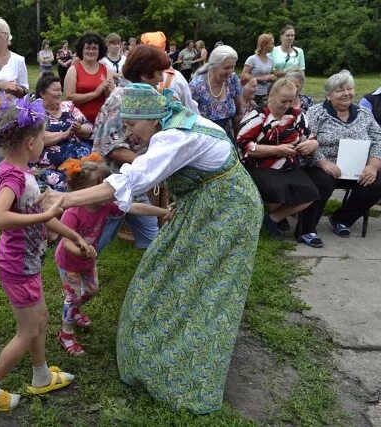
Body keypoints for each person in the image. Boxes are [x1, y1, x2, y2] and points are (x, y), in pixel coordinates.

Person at [39, 83, 262, 414]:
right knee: (167, 271)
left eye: (131, 125)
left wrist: (66, 197)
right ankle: (161, 341)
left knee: (204, 284)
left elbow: (128, 182)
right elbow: (195, 173)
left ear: (152, 118)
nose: (128, 134)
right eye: (125, 125)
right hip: (206, 207)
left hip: (230, 212)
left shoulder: (175, 135)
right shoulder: (177, 123)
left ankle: (187, 357)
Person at [0, 96, 90, 412]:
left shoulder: (23, 170)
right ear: (31, 142)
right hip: (17, 267)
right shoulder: (13, 176)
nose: (46, 143)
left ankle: (41, 375)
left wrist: (72, 234)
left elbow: (39, 211)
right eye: (44, 138)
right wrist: (44, 217)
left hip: (27, 264)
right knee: (27, 331)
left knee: (42, 319)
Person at [54, 154, 169, 356]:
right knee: (73, 297)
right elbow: (66, 242)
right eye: (105, 189)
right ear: (88, 192)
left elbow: (135, 207)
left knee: (91, 291)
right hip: (69, 263)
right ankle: (66, 334)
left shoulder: (106, 205)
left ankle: (76, 311)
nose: (112, 192)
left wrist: (163, 212)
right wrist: (81, 251)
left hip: (88, 261)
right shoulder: (73, 212)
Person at [91, 44, 172, 252]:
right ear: (145, 75)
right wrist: (153, 165)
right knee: (95, 241)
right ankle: (74, 275)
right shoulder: (124, 99)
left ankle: (156, 272)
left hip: (131, 182)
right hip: (112, 184)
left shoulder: (138, 96)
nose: (161, 79)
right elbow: (114, 149)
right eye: (158, 73)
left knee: (152, 235)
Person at [297, 70, 381, 241]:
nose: (346, 93)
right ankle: (306, 229)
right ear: (328, 95)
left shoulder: (364, 114)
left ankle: (342, 219)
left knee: (376, 182)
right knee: (323, 183)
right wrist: (323, 163)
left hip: (357, 168)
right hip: (322, 165)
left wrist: (373, 166)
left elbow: (378, 139)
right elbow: (305, 140)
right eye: (340, 90)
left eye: (349, 88)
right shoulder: (316, 113)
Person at [237, 78, 320, 243]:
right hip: (260, 166)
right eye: (283, 100)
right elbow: (244, 145)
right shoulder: (258, 115)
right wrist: (276, 150)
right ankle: (276, 218)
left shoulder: (296, 115)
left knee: (311, 194)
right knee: (277, 192)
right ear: (272, 95)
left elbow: (310, 137)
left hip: (289, 165)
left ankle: (273, 219)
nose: (287, 105)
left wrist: (311, 144)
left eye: (291, 100)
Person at [35, 72, 93, 191]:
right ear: (42, 93)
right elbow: (37, 138)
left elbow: (89, 127)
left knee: (95, 177)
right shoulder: (36, 112)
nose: (60, 93)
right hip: (53, 168)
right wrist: (64, 135)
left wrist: (79, 129)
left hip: (83, 161)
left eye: (60, 89)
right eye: (55, 90)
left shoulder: (68, 106)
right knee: (66, 187)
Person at [190, 45, 243, 140]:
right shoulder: (197, 86)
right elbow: (189, 119)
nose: (230, 71)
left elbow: (239, 114)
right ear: (214, 66)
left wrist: (237, 140)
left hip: (227, 137)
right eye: (226, 68)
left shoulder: (232, 79)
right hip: (204, 139)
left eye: (233, 67)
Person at [64, 31, 115, 124]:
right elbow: (69, 97)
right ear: (81, 49)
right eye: (88, 48)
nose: (91, 51)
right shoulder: (73, 70)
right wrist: (95, 93)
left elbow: (112, 98)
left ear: (99, 51)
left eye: (95, 48)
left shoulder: (106, 70)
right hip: (79, 122)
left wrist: (107, 90)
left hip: (102, 123)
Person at [242, 33, 276, 106]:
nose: (274, 46)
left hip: (264, 95)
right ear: (264, 45)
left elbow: (270, 76)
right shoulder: (252, 59)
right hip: (251, 94)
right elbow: (243, 76)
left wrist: (272, 78)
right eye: (272, 44)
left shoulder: (271, 61)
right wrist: (262, 78)